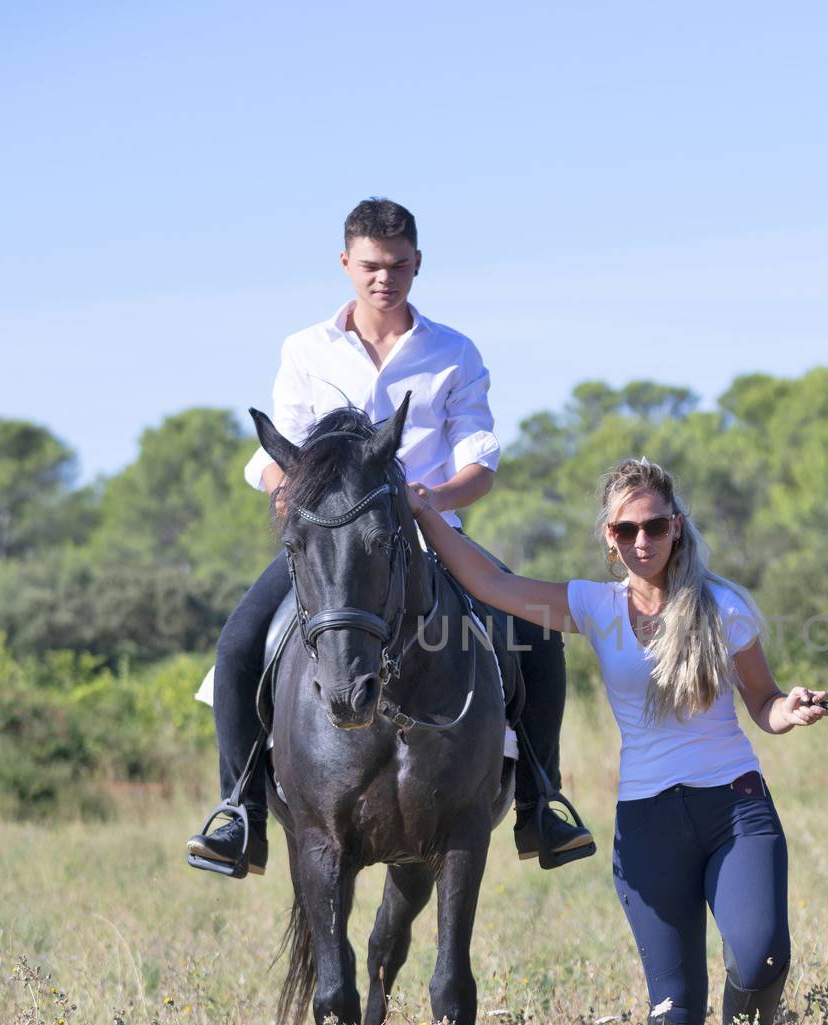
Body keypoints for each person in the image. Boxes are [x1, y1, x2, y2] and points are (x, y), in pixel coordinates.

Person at [407, 456, 828, 1025]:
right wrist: (427, 514)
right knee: (675, 1003)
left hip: (735, 809)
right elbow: (489, 581)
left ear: (677, 527)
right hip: (649, 820)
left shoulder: (724, 606)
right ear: (609, 535)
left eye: (655, 526)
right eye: (628, 529)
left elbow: (763, 702)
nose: (643, 541)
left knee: (762, 955)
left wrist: (794, 708)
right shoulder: (594, 607)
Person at [186, 197, 593, 878]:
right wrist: (284, 488)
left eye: (399, 265)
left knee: (537, 636)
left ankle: (539, 801)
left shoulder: (452, 352)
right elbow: (274, 452)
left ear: (417, 264)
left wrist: (434, 499)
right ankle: (239, 810)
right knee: (236, 644)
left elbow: (479, 457)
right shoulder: (305, 349)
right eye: (372, 265)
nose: (385, 277)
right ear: (347, 263)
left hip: (434, 538)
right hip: (332, 543)